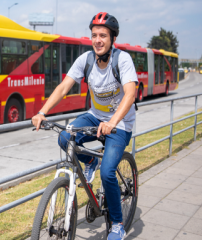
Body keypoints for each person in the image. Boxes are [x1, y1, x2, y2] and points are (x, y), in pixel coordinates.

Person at [31, 12, 138, 240]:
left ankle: (117, 224)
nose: (97, 40)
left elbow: (130, 94)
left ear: (112, 39)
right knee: (64, 137)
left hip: (119, 124)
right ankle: (89, 162)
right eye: (94, 35)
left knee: (108, 173)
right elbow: (62, 87)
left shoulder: (122, 60)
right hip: (94, 116)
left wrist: (112, 122)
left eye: (103, 35)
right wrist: (42, 112)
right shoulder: (86, 60)